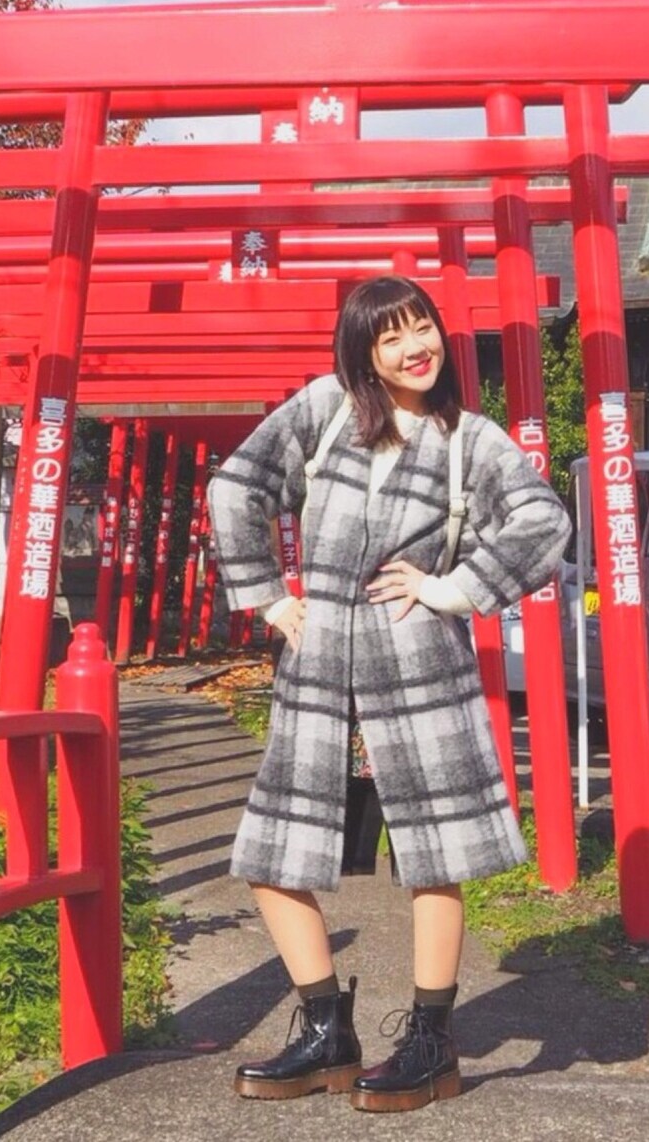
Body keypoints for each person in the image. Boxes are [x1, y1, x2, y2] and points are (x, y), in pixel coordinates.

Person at [207, 275, 571, 1113]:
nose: (415, 348)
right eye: (391, 336)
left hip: (419, 673)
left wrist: (456, 589)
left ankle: (431, 1041)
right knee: (271, 858)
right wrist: (267, 596)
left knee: (433, 861)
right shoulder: (326, 411)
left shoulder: (470, 440)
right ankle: (325, 1030)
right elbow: (236, 485)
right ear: (363, 353)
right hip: (319, 673)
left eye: (423, 329)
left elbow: (545, 521)